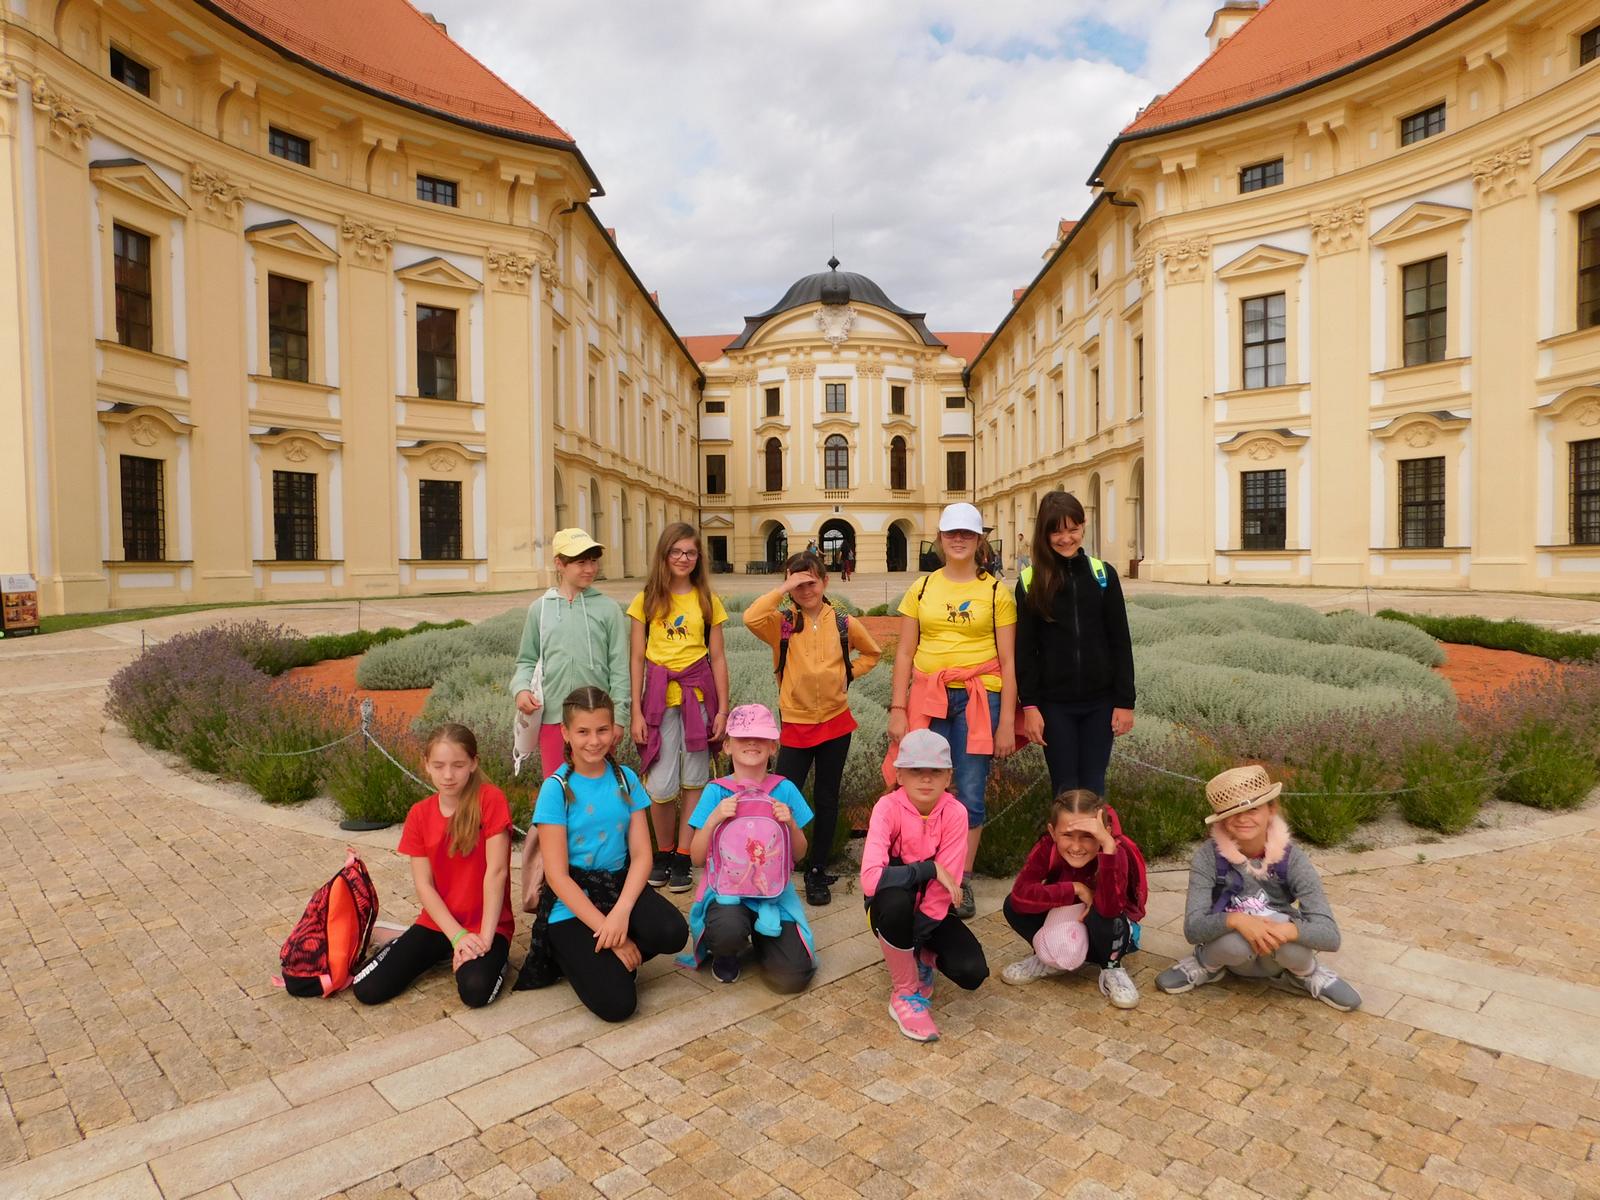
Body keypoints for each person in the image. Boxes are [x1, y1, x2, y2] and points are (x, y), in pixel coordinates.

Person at [515, 687, 688, 1020]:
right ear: (565, 733)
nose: (594, 741)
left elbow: (642, 856)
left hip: (617, 888)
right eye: (583, 731)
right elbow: (557, 876)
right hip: (572, 904)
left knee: (673, 932)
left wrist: (621, 912)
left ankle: (606, 958)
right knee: (618, 1005)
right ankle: (577, 955)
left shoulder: (625, 779)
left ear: (613, 731)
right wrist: (613, 936)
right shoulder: (556, 789)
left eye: (602, 730)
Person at [887, 501, 1017, 920]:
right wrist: (898, 707)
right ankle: (923, 872)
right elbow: (904, 652)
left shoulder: (996, 592)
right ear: (940, 539)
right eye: (951, 533)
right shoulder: (922, 588)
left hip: (980, 697)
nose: (958, 539)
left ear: (979, 540)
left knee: (971, 790)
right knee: (922, 783)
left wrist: (1007, 722)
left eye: (967, 533)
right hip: (929, 696)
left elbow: (1009, 661)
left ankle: (962, 877)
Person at [1156, 765, 1362, 1011]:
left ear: (1271, 810)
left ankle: (1306, 973)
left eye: (1253, 808)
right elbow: (1193, 928)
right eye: (1232, 812)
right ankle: (1206, 966)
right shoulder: (1208, 857)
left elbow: (1329, 935)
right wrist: (1236, 920)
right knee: (1235, 944)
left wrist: (1283, 931)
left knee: (1288, 940)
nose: (1243, 818)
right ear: (1221, 818)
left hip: (1279, 949)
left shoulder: (1292, 858)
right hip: (1229, 949)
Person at [742, 551, 881, 905]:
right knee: (781, 798)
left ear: (825, 581)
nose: (805, 589)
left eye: (811, 581)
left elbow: (873, 653)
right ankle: (774, 864)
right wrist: (783, 588)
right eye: (797, 583)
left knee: (827, 798)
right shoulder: (781, 622)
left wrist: (848, 674)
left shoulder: (844, 623)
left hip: (836, 721)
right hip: (796, 722)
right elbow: (750, 616)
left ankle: (817, 870)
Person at [353, 724, 512, 1009]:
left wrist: (484, 940)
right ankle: (413, 941)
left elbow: (496, 872)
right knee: (367, 989)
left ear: (473, 763)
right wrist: (458, 937)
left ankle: (483, 956)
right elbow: (424, 885)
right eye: (439, 766)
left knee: (476, 991)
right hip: (439, 923)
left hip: (488, 925)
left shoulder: (490, 799)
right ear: (426, 765)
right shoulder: (419, 814)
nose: (448, 775)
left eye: (458, 765)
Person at [861, 730, 988, 1042]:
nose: (926, 779)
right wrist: (928, 869)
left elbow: (946, 886)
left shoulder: (956, 813)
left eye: (936, 771)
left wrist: (916, 939)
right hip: (888, 910)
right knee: (895, 902)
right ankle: (905, 994)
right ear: (900, 775)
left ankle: (920, 954)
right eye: (916, 770)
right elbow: (871, 879)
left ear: (948, 777)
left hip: (933, 912)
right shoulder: (887, 808)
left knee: (972, 972)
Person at [684, 704, 817, 991]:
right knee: (727, 930)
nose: (752, 743)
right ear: (727, 746)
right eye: (743, 737)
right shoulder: (716, 791)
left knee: (793, 977)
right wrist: (714, 819)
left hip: (774, 895)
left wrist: (791, 824)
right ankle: (726, 952)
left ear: (773, 747)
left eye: (761, 737)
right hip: (728, 895)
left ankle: (763, 938)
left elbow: (800, 854)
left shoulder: (785, 789)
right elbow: (696, 857)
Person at [628, 523, 730, 894]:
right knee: (660, 783)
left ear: (698, 557)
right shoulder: (646, 600)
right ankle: (663, 851)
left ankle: (684, 854)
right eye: (676, 551)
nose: (683, 558)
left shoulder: (707, 600)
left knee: (695, 780)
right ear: (664, 555)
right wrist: (636, 712)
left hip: (698, 698)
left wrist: (723, 710)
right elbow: (636, 658)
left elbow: (718, 657)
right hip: (659, 701)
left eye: (690, 552)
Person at [1016, 491, 1134, 797]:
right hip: (1054, 706)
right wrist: (1030, 705)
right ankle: (1066, 831)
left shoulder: (1102, 575)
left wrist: (1125, 702)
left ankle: (1094, 831)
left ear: (1084, 526)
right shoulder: (1030, 581)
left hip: (1100, 703)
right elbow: (1025, 652)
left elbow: (1120, 642)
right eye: (1057, 531)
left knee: (1094, 787)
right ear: (1044, 534)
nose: (1066, 538)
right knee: (1065, 789)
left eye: (1073, 529)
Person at [999, 789, 1147, 1009]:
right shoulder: (1047, 847)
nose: (1076, 847)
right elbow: (1021, 895)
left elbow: (1110, 909)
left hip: (1108, 935)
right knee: (1012, 905)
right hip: (1070, 918)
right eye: (1067, 835)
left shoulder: (1116, 852)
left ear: (1105, 833)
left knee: (1106, 913)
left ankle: (1112, 968)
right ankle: (1046, 956)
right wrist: (1075, 889)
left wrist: (1108, 850)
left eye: (1088, 836)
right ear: (1052, 831)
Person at [510, 528, 630, 779]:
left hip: (598, 720)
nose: (590, 568)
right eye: (581, 562)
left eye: (593, 561)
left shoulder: (609, 610)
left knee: (597, 786)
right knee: (558, 784)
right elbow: (527, 660)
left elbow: (619, 668)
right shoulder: (540, 609)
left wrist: (619, 717)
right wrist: (520, 689)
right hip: (554, 718)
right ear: (559, 564)